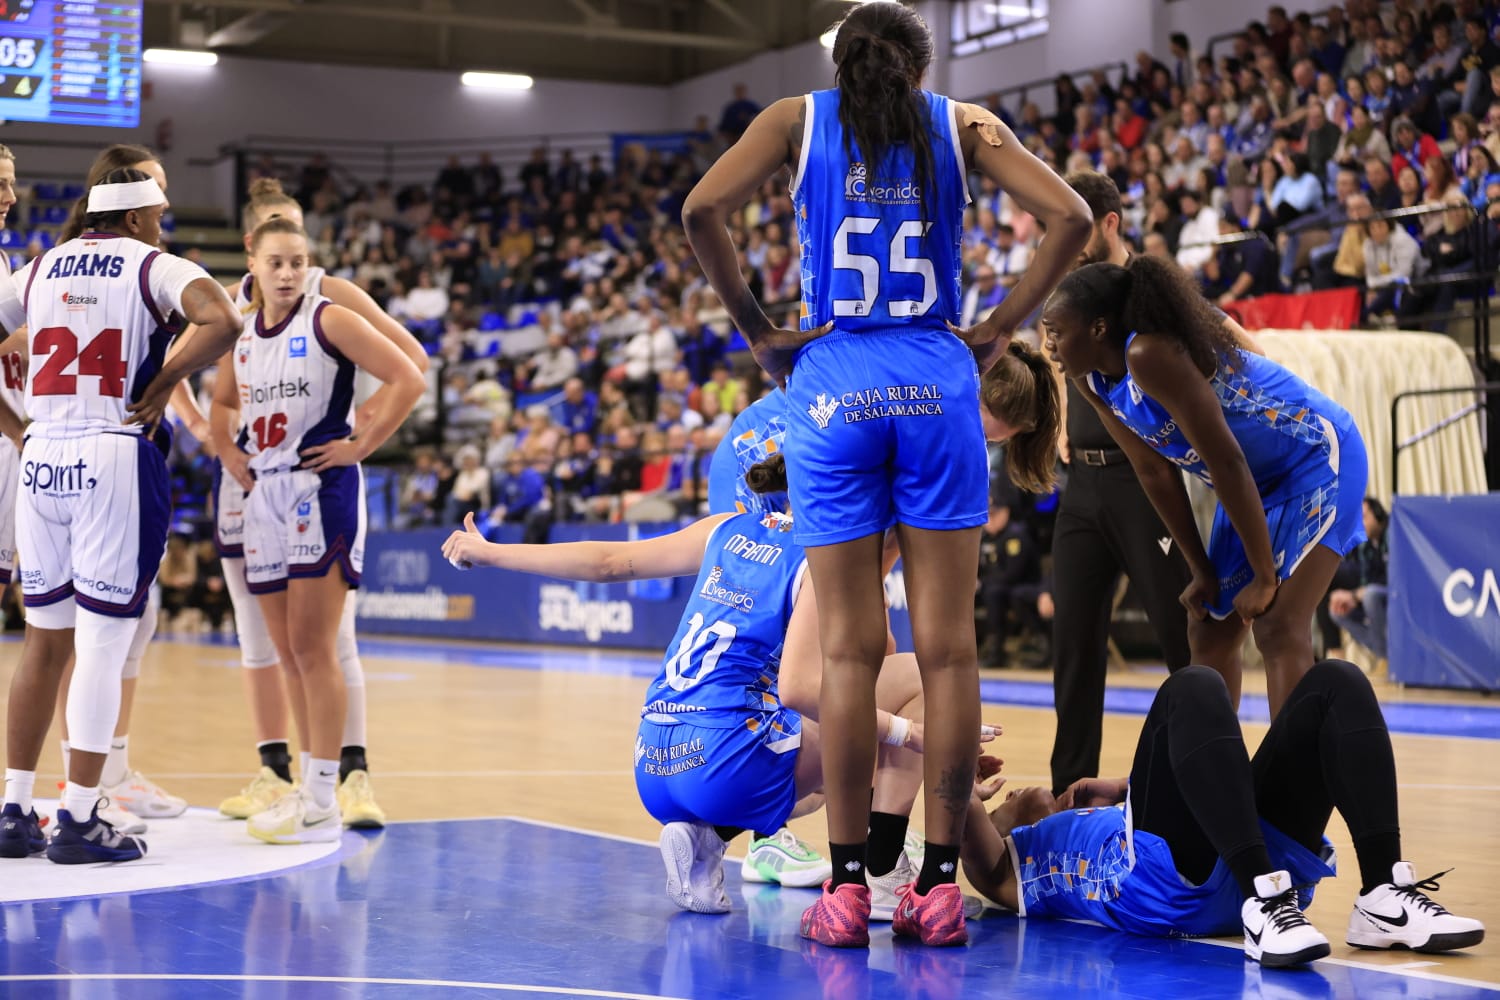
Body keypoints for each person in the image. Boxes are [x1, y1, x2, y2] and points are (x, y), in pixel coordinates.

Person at [681, 2, 1090, 948]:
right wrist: (1000, 327)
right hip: (937, 380)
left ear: (842, 67)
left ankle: (844, 889)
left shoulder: (794, 120)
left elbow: (701, 209)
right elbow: (1071, 216)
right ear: (921, 68)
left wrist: (759, 332)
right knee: (950, 652)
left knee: (848, 655)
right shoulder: (964, 125)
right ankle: (938, 888)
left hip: (833, 384)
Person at [440, 454, 980, 916]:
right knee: (907, 690)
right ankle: (881, 873)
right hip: (724, 762)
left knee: (829, 753)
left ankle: (705, 841)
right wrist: (909, 735)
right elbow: (814, 686)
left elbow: (606, 562)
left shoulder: (727, 527)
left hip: (653, 758)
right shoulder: (825, 561)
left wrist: (492, 552)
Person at [0, 167, 242, 864]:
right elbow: (223, 319)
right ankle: (80, 817)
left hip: (41, 456)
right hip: (111, 452)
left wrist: (19, 428)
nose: (162, 227)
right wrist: (165, 380)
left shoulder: (39, 268)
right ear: (134, 219)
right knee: (103, 645)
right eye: (158, 216)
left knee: (43, 643)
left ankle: (15, 809)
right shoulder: (151, 264)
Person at [961, 660, 1485, 963]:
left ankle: (1382, 894)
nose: (1018, 792)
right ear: (1001, 824)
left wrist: (1123, 787)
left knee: (1336, 682)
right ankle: (1265, 901)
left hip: (1235, 850)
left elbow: (1198, 777)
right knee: (1192, 685)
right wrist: (962, 785)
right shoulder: (1017, 864)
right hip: (1169, 887)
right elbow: (978, 855)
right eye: (1006, 800)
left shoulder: (1095, 818)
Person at [1042, 255, 1368, 718]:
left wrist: (1264, 577)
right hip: (1253, 481)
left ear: (1097, 329)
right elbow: (1153, 471)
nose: (1048, 344)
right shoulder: (1090, 380)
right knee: (1208, 632)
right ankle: (1216, 761)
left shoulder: (1148, 353)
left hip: (1316, 457)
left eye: (1055, 331)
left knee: (1277, 626)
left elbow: (1227, 461)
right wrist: (1201, 570)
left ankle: (1296, 766)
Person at [214, 177, 428, 830]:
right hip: (262, 490)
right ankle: (300, 780)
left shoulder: (330, 309)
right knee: (286, 650)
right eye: (275, 261)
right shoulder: (239, 327)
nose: (287, 272)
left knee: (320, 647)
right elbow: (220, 401)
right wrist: (225, 450)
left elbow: (410, 371)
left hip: (317, 487)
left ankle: (330, 788)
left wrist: (360, 441)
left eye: (297, 259)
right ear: (252, 257)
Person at [1325, 497, 1389, 661]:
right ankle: (1384, 654)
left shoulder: (1393, 533)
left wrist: (1357, 595)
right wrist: (1353, 598)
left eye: (1364, 517)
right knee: (1337, 611)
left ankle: (1383, 657)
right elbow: (1365, 580)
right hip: (1374, 592)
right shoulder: (1365, 543)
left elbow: (1394, 578)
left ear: (1378, 515)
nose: (1360, 524)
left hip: (1396, 592)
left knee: (1370, 595)